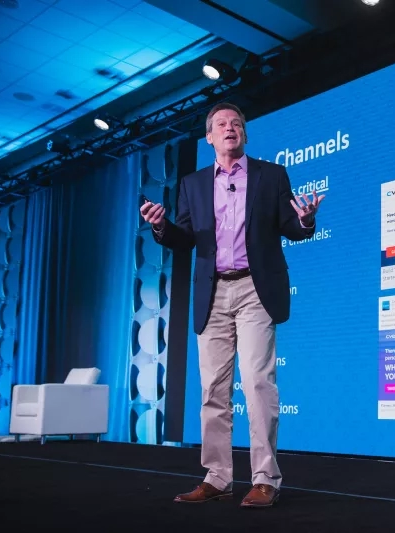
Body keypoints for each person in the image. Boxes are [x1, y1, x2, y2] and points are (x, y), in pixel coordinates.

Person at [139, 102, 324, 508]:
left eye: (237, 123)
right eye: (221, 124)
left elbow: (291, 227)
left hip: (256, 290)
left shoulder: (271, 175)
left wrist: (307, 220)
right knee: (212, 390)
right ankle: (218, 476)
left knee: (258, 383)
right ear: (209, 138)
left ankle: (265, 479)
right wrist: (160, 227)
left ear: (245, 134)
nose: (230, 127)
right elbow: (185, 238)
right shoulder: (193, 183)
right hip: (213, 292)